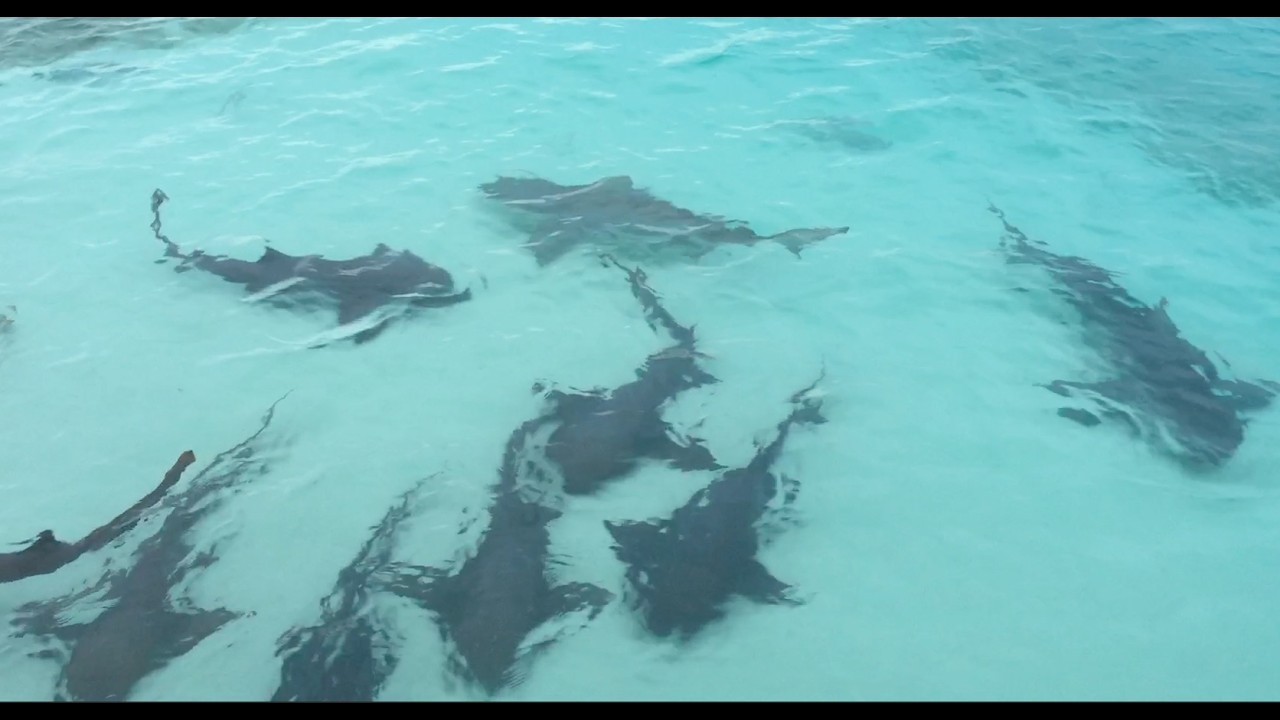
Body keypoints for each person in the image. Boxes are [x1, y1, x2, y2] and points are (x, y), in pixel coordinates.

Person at [0, 450, 196, 584]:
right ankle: (171, 480)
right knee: (112, 530)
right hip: (40, 557)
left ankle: (170, 481)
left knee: (114, 529)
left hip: (44, 558)